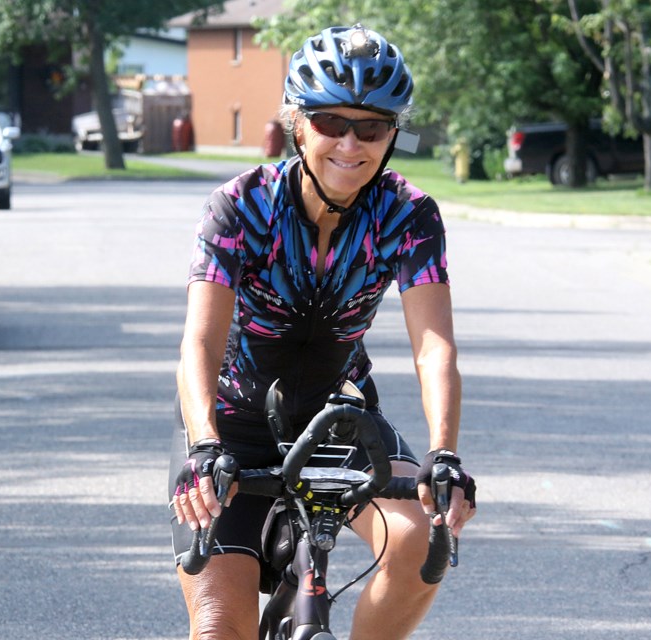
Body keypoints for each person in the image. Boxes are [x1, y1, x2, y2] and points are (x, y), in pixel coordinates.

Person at [168, 24, 477, 640]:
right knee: (218, 630)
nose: (350, 144)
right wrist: (204, 445)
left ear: (393, 134)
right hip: (233, 425)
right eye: (331, 122)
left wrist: (443, 455)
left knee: (419, 542)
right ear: (296, 121)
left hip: (340, 418)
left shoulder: (409, 215)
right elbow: (199, 343)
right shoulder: (240, 207)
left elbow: (433, 346)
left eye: (372, 127)